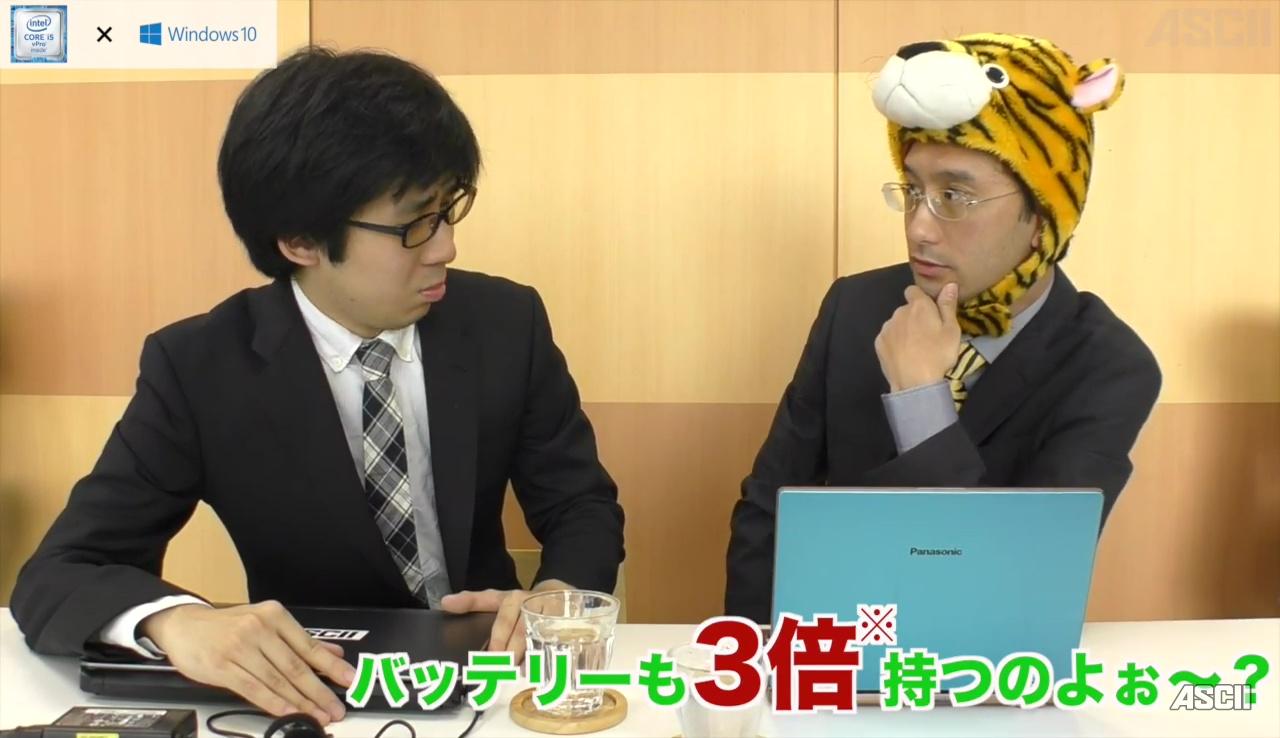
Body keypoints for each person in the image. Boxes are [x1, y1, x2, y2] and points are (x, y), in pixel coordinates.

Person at [11, 47, 624, 724]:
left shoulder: (506, 323)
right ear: (300, 241)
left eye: (449, 207)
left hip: (496, 687)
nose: (445, 246)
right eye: (414, 224)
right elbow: (60, 573)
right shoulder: (199, 367)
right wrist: (174, 620)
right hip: (310, 697)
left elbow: (581, 505)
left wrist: (557, 597)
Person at [725, 33, 1161, 624]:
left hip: (988, 663)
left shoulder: (1109, 365)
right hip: (831, 645)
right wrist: (753, 652)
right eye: (912, 191)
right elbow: (769, 506)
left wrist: (921, 400)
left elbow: (1021, 573)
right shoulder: (854, 305)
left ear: (1043, 215)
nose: (918, 229)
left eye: (955, 195)